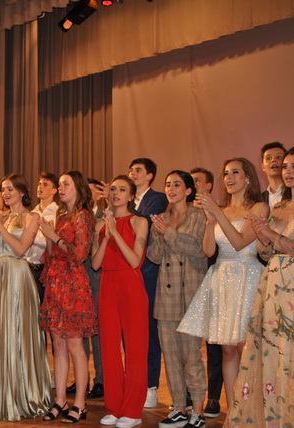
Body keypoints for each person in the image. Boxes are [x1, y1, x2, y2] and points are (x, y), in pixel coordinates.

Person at [226, 146, 294, 427]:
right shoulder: (278, 206)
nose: (288, 171)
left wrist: (269, 233)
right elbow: (267, 254)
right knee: (272, 354)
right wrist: (261, 235)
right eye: (286, 167)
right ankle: (274, 418)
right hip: (272, 285)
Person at [179, 158, 268, 410]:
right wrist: (210, 222)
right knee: (227, 350)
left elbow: (240, 243)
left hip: (247, 276)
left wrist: (217, 213)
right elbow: (209, 251)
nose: (229, 178)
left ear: (248, 177)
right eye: (226, 173)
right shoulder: (222, 210)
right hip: (223, 278)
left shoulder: (259, 207)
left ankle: (252, 411)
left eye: (235, 172)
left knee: (245, 348)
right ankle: (233, 412)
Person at [0, 173, 52, 421]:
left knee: (18, 333)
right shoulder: (3, 217)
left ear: (22, 192)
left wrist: (0, 226)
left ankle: (25, 395)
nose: (6, 193)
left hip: (18, 276)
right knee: (1, 335)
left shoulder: (32, 217)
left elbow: (21, 249)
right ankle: (3, 395)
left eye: (11, 189)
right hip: (0, 275)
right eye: (3, 189)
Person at [146, 170, 208, 428]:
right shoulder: (160, 218)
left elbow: (199, 249)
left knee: (191, 356)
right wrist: (160, 234)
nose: (171, 189)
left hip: (191, 293)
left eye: (177, 184)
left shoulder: (199, 215)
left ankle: (198, 412)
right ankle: (179, 407)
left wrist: (169, 232)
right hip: (166, 295)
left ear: (188, 190)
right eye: (168, 184)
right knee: (170, 356)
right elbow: (153, 256)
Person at [39, 170, 97, 424]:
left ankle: (80, 403)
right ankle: (60, 400)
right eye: (60, 184)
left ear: (78, 188)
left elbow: (80, 253)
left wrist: (55, 237)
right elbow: (52, 253)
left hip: (73, 284)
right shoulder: (62, 216)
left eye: (65, 184)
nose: (61, 188)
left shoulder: (83, 216)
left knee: (75, 345)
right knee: (58, 344)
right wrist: (49, 239)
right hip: (56, 282)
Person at [92, 175, 148, 428]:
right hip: (108, 285)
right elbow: (96, 264)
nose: (116, 193)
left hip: (131, 285)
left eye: (122, 189)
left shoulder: (139, 222)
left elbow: (135, 260)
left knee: (135, 350)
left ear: (131, 196)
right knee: (109, 349)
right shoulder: (99, 225)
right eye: (113, 189)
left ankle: (133, 410)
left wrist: (115, 231)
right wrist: (106, 236)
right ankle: (114, 407)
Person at [128, 158, 168, 407]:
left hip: (148, 272)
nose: (132, 173)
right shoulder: (126, 201)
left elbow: (140, 222)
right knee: (130, 332)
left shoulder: (157, 198)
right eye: (130, 170)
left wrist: (122, 204)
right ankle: (133, 380)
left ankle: (151, 385)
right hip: (127, 271)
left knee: (150, 330)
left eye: (138, 170)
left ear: (150, 175)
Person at [190, 166, 223, 418]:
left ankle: (213, 396)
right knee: (189, 344)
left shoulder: (220, 211)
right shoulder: (183, 212)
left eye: (197, 181)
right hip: (189, 281)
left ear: (209, 186)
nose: (193, 185)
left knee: (215, 344)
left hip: (214, 280)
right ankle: (190, 395)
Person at [81, 177, 107, 399]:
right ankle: (82, 378)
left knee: (97, 331)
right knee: (80, 330)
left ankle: (101, 380)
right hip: (79, 277)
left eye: (91, 191)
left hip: (97, 276)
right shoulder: (78, 214)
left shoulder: (104, 216)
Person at [26, 172, 59, 304]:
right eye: (39, 184)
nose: (40, 187)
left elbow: (55, 242)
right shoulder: (31, 213)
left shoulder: (58, 213)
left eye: (45, 185)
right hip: (28, 266)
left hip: (46, 268)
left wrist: (37, 236)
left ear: (54, 190)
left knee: (44, 306)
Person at [259, 141, 287, 209]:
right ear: (262, 167)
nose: (273, 160)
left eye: (279, 157)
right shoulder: (259, 199)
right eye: (269, 158)